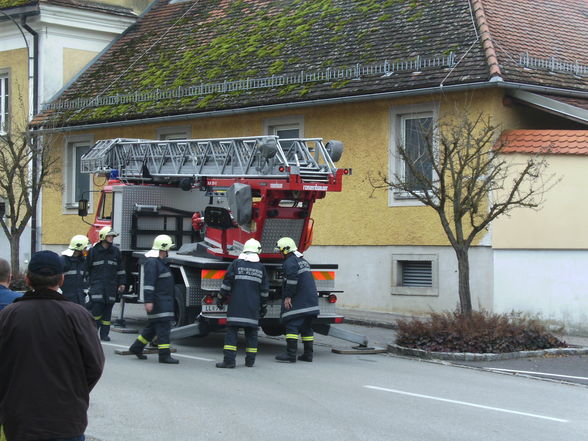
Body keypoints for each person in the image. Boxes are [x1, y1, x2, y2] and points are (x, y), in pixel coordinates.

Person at [0, 250, 104, 441]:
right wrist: (73, 392)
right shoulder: (78, 315)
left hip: (21, 421)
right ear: (61, 280)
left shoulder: (8, 315)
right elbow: (95, 366)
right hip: (67, 421)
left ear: (27, 280)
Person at [215, 238, 269, 368]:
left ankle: (229, 361)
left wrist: (220, 298)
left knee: (231, 334)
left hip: (236, 307)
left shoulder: (236, 264)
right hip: (252, 308)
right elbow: (264, 291)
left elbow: (227, 284)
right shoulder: (261, 268)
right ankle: (250, 361)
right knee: (252, 334)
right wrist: (263, 307)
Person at [128, 235, 179, 364]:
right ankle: (164, 355)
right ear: (163, 249)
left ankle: (136, 348)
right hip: (159, 302)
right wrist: (148, 301)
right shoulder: (153, 263)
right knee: (163, 329)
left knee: (152, 328)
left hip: (163, 301)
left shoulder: (160, 263)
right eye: (168, 248)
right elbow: (149, 284)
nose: (169, 251)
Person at [275, 237, 319, 363]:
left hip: (300, 300)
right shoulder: (302, 260)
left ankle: (291, 354)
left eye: (280, 251)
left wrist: (288, 296)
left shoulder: (290, 262)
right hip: (311, 301)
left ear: (286, 250)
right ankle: (308, 355)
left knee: (292, 325)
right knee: (306, 327)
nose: (279, 253)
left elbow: (292, 280)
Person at [86, 226, 126, 341]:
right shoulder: (93, 251)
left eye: (112, 236)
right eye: (109, 236)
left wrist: (122, 283)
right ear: (103, 237)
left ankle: (104, 335)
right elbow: (86, 268)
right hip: (97, 285)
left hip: (111, 286)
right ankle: (92, 333)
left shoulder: (115, 251)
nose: (111, 238)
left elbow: (120, 269)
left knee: (107, 312)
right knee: (97, 309)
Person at [61, 235, 90, 305]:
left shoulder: (83, 262)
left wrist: (86, 293)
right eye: (85, 248)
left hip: (80, 300)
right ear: (79, 247)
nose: (87, 250)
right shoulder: (63, 260)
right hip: (65, 300)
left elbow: (85, 279)